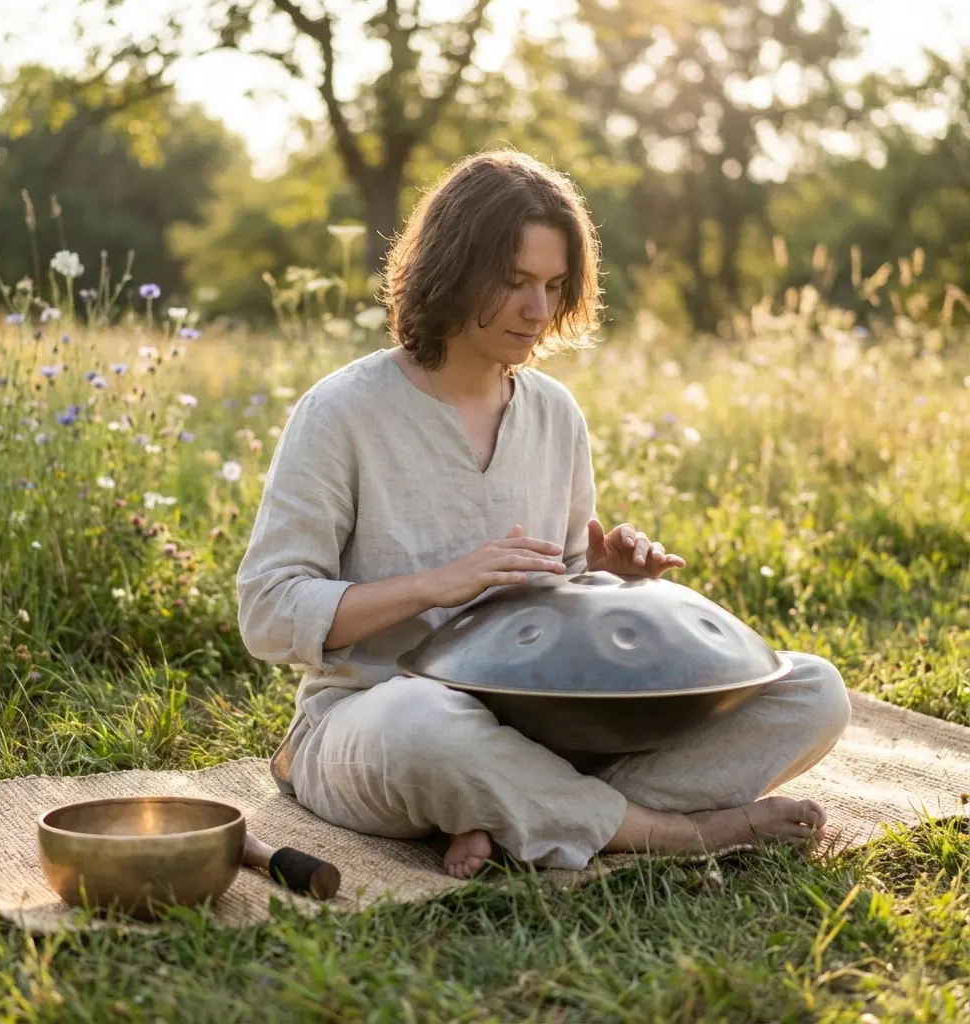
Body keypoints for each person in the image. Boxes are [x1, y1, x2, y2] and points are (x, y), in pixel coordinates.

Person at [236, 150, 852, 880]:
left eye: (555, 286)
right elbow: (268, 614)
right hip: (374, 722)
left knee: (812, 691)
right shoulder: (342, 411)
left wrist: (606, 582)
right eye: (515, 282)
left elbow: (552, 605)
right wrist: (438, 584)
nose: (539, 311)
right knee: (425, 724)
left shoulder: (554, 413)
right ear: (452, 269)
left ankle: (516, 816)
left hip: (543, 730)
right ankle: (669, 832)